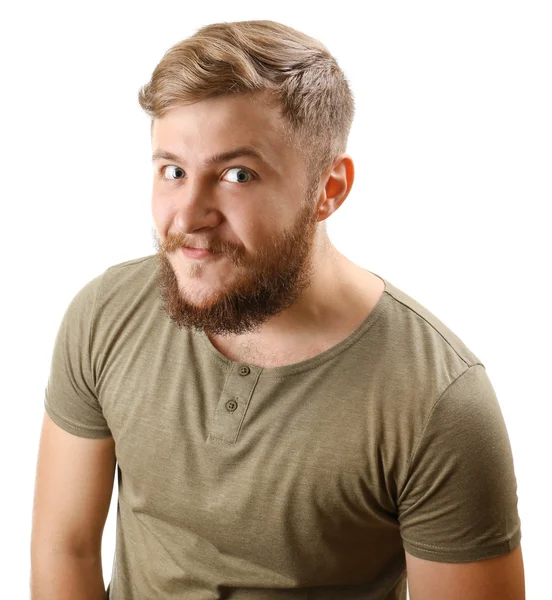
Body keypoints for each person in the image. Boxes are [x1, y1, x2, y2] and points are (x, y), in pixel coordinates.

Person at [31, 19, 525, 600]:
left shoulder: (438, 401)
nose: (188, 216)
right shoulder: (105, 315)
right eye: (173, 171)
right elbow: (65, 547)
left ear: (329, 189)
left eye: (237, 175)